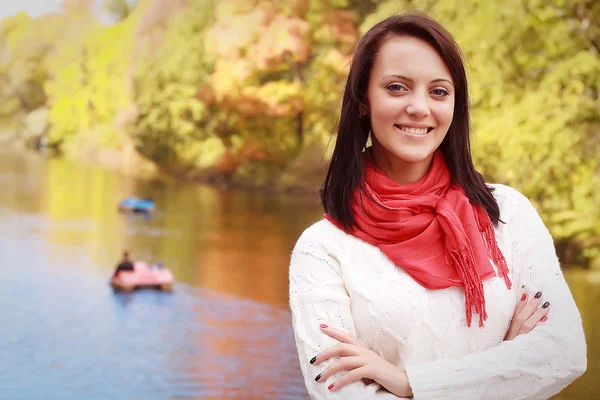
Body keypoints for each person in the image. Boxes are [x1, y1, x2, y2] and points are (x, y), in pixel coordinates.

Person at [288, 11, 586, 400]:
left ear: (454, 105)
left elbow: (564, 354)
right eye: (397, 87)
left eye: (438, 91)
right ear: (363, 99)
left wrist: (409, 383)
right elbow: (342, 394)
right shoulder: (323, 250)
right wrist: (504, 365)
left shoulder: (507, 214)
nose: (419, 107)